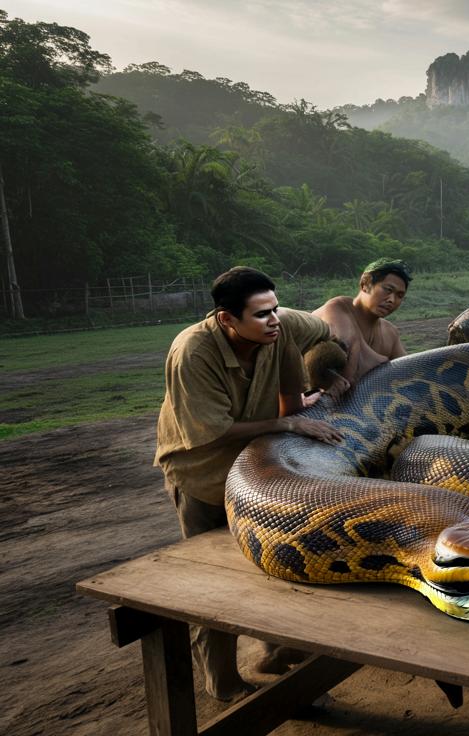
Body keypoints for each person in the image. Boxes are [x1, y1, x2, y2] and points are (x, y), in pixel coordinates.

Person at [154, 266, 344, 702]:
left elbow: (326, 331)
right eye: (261, 314)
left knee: (276, 566)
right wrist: (289, 422)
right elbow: (214, 430)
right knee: (216, 583)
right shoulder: (193, 353)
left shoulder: (284, 325)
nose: (274, 319)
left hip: (259, 474)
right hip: (204, 477)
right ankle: (222, 681)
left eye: (275, 308)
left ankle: (281, 657)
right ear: (227, 319)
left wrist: (331, 376)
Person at [313, 258, 410, 387]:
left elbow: (409, 371)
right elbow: (352, 365)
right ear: (365, 283)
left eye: (399, 295)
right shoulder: (337, 308)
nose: (392, 300)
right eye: (388, 290)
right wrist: (385, 363)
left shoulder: (390, 332)